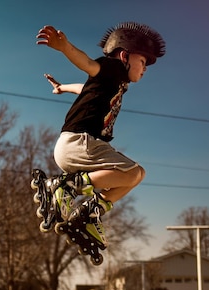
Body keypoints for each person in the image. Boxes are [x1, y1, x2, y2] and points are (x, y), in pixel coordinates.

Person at [36, 22, 165, 247]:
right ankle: (65, 187)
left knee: (137, 174)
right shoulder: (112, 68)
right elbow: (88, 64)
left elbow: (84, 87)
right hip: (80, 143)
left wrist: (62, 87)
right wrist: (65, 47)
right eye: (143, 62)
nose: (144, 69)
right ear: (124, 56)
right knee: (133, 173)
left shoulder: (115, 82)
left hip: (77, 147)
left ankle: (89, 213)